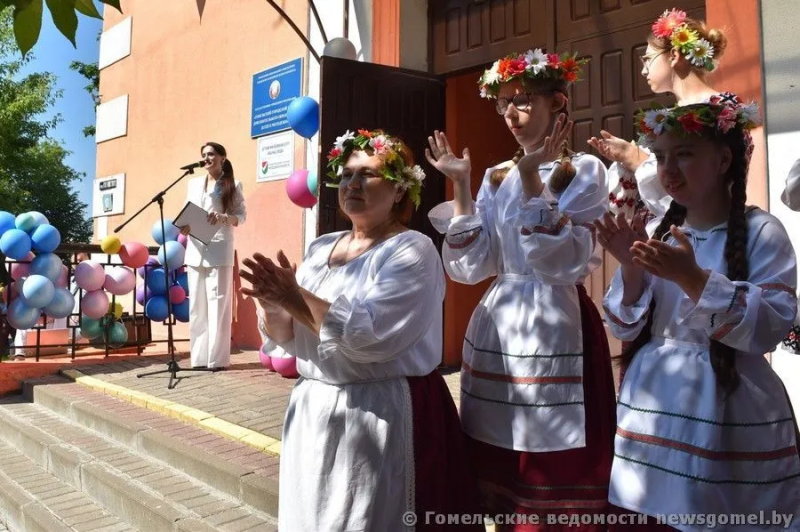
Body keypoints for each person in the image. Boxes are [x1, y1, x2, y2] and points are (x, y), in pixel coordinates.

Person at [242, 129, 481, 531]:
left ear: (400, 191)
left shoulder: (412, 250)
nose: (352, 183)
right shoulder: (321, 248)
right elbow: (287, 338)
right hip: (314, 414)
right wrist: (274, 301)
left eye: (367, 174)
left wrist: (294, 295)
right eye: (347, 174)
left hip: (380, 415)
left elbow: (372, 337)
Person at [426, 49, 615, 530]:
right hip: (500, 323)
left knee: (553, 464)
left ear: (558, 104)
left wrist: (534, 177)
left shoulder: (584, 170)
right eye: (503, 102)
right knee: (499, 456)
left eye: (522, 101)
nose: (510, 113)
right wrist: (465, 186)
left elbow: (563, 261)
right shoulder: (495, 175)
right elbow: (474, 265)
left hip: (556, 323)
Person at [596, 101, 799, 530]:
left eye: (684, 153)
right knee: (658, 512)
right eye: (662, 156)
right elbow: (624, 323)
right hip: (657, 397)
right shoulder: (656, 230)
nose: (668, 168)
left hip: (731, 400)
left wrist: (693, 279)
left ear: (724, 159)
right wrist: (630, 269)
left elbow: (770, 325)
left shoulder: (763, 232)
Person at [589, 8, 737, 220]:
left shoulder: (723, 108)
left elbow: (709, 186)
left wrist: (635, 158)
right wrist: (627, 156)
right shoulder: (664, 118)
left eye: (648, 59)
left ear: (674, 56)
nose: (643, 70)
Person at [179, 142, 246, 369]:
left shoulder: (233, 184)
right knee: (197, 307)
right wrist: (185, 226)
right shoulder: (193, 183)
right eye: (204, 155)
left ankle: (217, 360)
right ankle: (198, 359)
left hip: (219, 249)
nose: (207, 158)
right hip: (195, 250)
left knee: (218, 305)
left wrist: (223, 217)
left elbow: (241, 216)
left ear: (222, 158)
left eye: (211, 154)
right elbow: (188, 211)